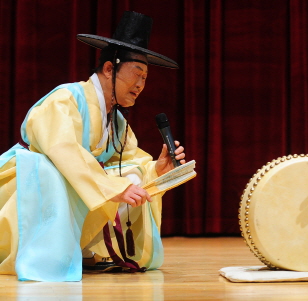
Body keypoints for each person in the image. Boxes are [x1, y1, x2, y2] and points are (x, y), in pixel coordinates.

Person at [0, 11, 185, 281]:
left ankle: (80, 246)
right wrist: (113, 187)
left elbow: (131, 159)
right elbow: (65, 151)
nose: (140, 85)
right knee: (58, 173)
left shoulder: (116, 122)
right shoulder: (66, 99)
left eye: (145, 78)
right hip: (26, 187)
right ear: (110, 69)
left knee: (133, 175)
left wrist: (156, 168)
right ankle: (51, 252)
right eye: (136, 74)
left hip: (62, 188)